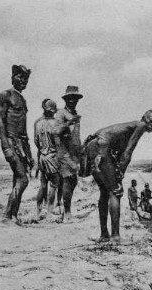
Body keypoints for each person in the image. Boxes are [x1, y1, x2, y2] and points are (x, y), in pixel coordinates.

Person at [80, 110, 152, 243]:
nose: (151, 124)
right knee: (115, 192)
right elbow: (128, 152)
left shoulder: (133, 126)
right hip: (101, 146)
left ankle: (104, 235)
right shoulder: (140, 126)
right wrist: (120, 174)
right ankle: (115, 237)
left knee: (104, 192)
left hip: (92, 146)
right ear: (143, 118)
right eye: (149, 120)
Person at [0, 65, 34, 223]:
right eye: (20, 77)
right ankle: (6, 216)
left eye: (26, 78)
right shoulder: (6, 95)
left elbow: (24, 129)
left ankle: (13, 215)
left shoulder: (22, 98)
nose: (23, 81)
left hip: (22, 143)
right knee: (23, 179)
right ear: (13, 77)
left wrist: (29, 153)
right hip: (11, 141)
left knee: (16, 179)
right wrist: (5, 146)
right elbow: (0, 121)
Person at [54, 85, 83, 222]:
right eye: (70, 99)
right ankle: (66, 214)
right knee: (67, 179)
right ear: (66, 99)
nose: (73, 101)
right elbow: (56, 131)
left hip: (74, 152)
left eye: (75, 98)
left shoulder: (74, 113)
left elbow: (76, 135)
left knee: (73, 181)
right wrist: (69, 122)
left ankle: (67, 210)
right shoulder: (60, 113)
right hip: (64, 151)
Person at [34, 99, 60, 218]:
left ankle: (38, 211)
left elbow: (36, 142)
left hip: (42, 156)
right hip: (52, 155)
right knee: (54, 185)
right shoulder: (56, 123)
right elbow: (58, 143)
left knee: (43, 184)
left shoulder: (37, 123)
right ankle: (49, 211)